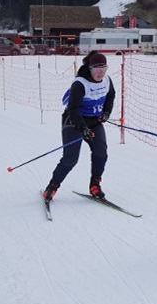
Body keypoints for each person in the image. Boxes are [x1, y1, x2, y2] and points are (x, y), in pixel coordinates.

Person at [42, 51, 115, 201]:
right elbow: (73, 108)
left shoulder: (107, 81)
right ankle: (52, 187)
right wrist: (82, 128)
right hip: (74, 121)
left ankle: (95, 185)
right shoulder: (80, 84)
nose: (100, 73)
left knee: (101, 153)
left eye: (103, 69)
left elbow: (110, 96)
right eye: (97, 69)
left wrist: (106, 112)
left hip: (94, 122)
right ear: (90, 68)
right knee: (71, 158)